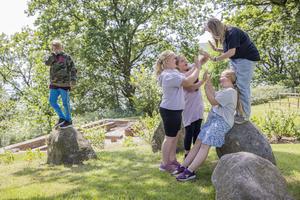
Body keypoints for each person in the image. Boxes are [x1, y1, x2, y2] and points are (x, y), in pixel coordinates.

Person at [173, 69, 239, 181]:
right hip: (213, 120)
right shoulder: (224, 91)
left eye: (222, 76)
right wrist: (207, 82)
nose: (220, 78)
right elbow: (213, 93)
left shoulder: (231, 92)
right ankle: (183, 166)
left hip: (221, 122)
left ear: (229, 78)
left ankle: (190, 172)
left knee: (205, 145)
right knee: (198, 143)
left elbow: (213, 101)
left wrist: (204, 88)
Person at [156, 50, 208, 173]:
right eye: (174, 59)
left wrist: (197, 65)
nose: (176, 60)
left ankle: (172, 159)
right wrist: (198, 68)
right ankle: (165, 163)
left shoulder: (172, 72)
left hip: (176, 110)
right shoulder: (168, 75)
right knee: (169, 138)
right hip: (169, 110)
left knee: (175, 136)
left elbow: (186, 75)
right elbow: (188, 81)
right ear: (167, 61)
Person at [200, 18, 260, 124]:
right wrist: (216, 49)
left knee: (242, 86)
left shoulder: (232, 32)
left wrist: (215, 59)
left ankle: (245, 115)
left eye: (210, 31)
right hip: (236, 60)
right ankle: (238, 112)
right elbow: (230, 48)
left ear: (215, 28)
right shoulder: (226, 35)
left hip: (246, 59)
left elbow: (231, 52)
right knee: (234, 85)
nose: (211, 34)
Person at [176, 55, 205, 158]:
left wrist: (204, 56)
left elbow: (201, 62)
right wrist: (203, 81)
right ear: (177, 66)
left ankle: (195, 152)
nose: (185, 62)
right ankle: (187, 153)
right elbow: (191, 88)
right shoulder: (180, 76)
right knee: (189, 130)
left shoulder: (190, 68)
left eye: (185, 60)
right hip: (188, 107)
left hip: (198, 105)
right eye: (182, 61)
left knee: (197, 129)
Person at [45, 40, 77, 129]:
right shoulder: (51, 57)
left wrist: (73, 80)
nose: (56, 49)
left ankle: (68, 120)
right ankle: (62, 118)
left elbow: (73, 68)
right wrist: (53, 55)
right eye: (54, 47)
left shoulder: (67, 57)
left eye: (58, 47)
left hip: (64, 84)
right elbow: (47, 63)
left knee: (65, 103)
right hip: (54, 84)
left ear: (61, 47)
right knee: (52, 101)